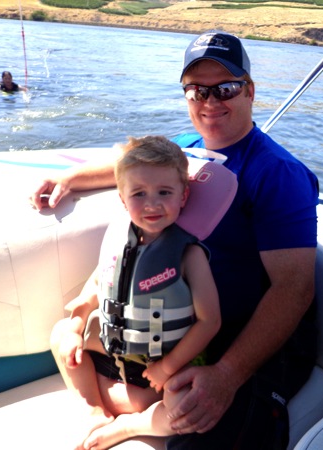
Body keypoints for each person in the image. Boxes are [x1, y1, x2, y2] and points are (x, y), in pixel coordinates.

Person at [32, 31, 319, 449]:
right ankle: (121, 410)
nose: (210, 101)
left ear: (250, 91)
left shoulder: (278, 174)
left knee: (200, 424)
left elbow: (294, 289)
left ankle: (135, 422)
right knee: (69, 342)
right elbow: (126, 164)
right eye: (197, 90)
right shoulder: (181, 150)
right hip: (168, 324)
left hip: (241, 335)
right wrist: (70, 179)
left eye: (225, 88)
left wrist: (227, 375)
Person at [53, 135, 221, 449]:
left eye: (164, 192)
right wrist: (76, 326)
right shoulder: (118, 239)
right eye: (139, 193)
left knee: (187, 407)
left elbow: (210, 321)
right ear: (122, 198)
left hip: (167, 362)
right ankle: (95, 411)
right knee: (60, 334)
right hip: (117, 350)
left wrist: (167, 367)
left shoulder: (189, 255)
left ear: (183, 196)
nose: (152, 204)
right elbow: (98, 284)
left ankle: (130, 425)